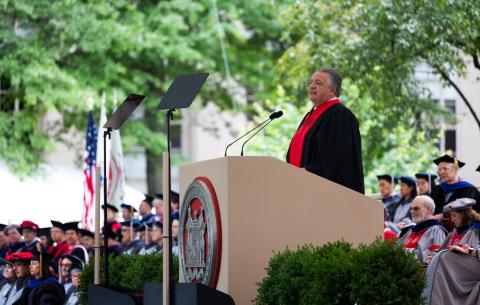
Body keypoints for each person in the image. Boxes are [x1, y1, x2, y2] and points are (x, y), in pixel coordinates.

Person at [286, 68, 364, 194]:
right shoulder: (310, 115)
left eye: (318, 83)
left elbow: (336, 159)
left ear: (332, 90)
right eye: (311, 82)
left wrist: (307, 173)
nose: (312, 86)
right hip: (300, 188)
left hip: (325, 193)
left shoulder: (340, 115)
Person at [423, 198, 480, 305]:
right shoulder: (454, 232)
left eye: (454, 216)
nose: (452, 220)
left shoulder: (477, 230)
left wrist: (469, 250)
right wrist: (433, 256)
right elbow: (442, 250)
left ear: (464, 214)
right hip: (453, 272)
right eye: (451, 216)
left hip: (469, 273)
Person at [397, 196, 447, 264]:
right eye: (411, 209)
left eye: (416, 208)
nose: (412, 212)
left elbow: (437, 258)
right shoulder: (411, 230)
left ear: (429, 209)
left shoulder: (436, 230)